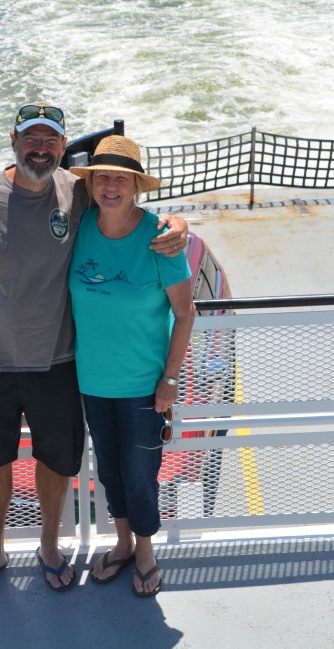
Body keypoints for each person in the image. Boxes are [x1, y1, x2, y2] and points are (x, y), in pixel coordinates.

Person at [0, 103, 188, 601]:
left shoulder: (77, 191)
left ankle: (49, 547)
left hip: (59, 363)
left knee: (57, 460)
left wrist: (179, 223)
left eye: (50, 141)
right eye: (31, 139)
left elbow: (130, 209)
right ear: (13, 141)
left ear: (63, 149)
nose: (40, 148)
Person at [68, 135, 196, 597]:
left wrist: (170, 378)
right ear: (92, 183)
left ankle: (145, 549)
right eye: (102, 177)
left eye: (121, 178)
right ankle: (121, 542)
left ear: (136, 186)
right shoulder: (79, 227)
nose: (110, 186)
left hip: (144, 384)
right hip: (92, 381)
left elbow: (185, 313)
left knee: (141, 473)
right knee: (110, 470)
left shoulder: (160, 239)